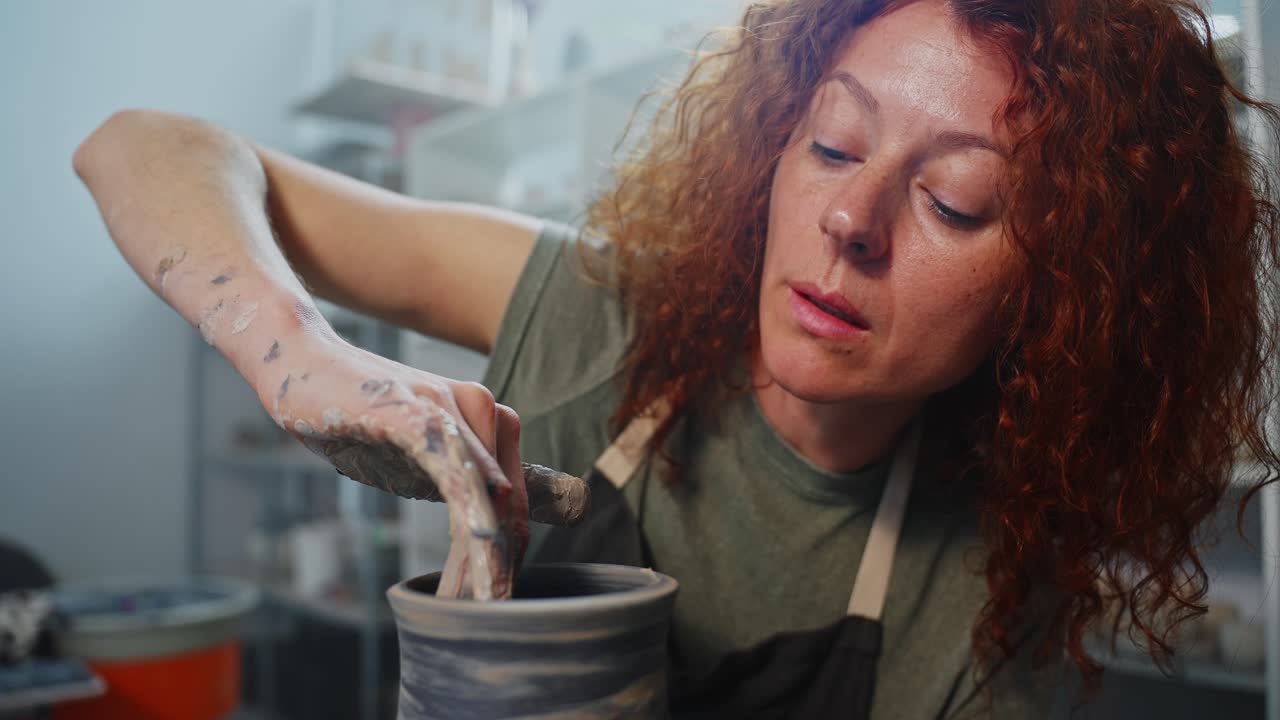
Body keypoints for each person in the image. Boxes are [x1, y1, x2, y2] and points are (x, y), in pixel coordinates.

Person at [73, 0, 1280, 716]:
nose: (849, 222)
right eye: (832, 144)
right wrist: (304, 362)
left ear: (1062, 296)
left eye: (955, 205)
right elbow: (143, 144)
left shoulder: (989, 607)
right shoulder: (601, 311)